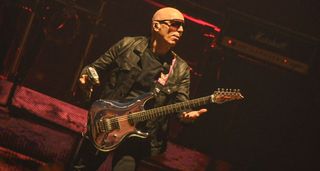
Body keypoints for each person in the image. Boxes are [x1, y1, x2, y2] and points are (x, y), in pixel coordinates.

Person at [72, 7, 207, 171]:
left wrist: (187, 115)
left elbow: (182, 104)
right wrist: (86, 76)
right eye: (175, 24)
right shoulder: (127, 45)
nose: (180, 30)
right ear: (156, 26)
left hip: (138, 134)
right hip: (107, 123)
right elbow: (95, 67)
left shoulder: (179, 68)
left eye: (182, 27)